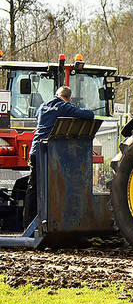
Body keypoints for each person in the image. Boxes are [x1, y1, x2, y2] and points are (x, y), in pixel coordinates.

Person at [23, 86, 94, 228]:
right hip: (49, 152)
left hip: (35, 150)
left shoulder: (43, 106)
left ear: (56, 94)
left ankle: (28, 223)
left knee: (33, 187)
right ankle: (50, 223)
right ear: (69, 99)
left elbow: (39, 118)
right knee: (53, 187)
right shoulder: (63, 107)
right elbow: (89, 115)